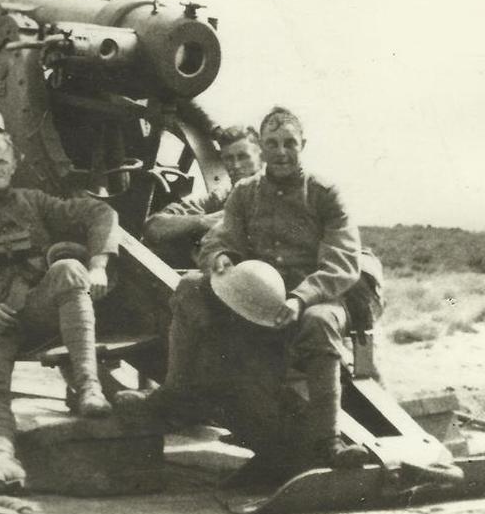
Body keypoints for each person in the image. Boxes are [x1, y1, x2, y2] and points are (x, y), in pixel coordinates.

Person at [119, 107, 371, 483]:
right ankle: (176, 390)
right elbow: (219, 240)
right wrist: (219, 257)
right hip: (256, 295)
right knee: (191, 287)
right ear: (262, 148)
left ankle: (328, 440)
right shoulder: (244, 193)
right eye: (273, 143)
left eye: (289, 143)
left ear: (303, 145)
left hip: (318, 296)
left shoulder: (325, 194)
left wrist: (300, 298)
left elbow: (342, 263)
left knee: (319, 324)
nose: (281, 152)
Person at [0, 131, 120, 498]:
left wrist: (98, 266)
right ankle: (2, 456)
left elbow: (101, 211)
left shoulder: (34, 201)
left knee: (69, 269)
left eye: (2, 161)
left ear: (14, 166)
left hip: (36, 305)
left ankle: (89, 389)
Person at [142, 125, 262, 267]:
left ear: (262, 157)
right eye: (229, 158)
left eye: (243, 157)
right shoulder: (221, 196)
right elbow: (153, 227)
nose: (235, 165)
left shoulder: (274, 197)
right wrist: (203, 221)